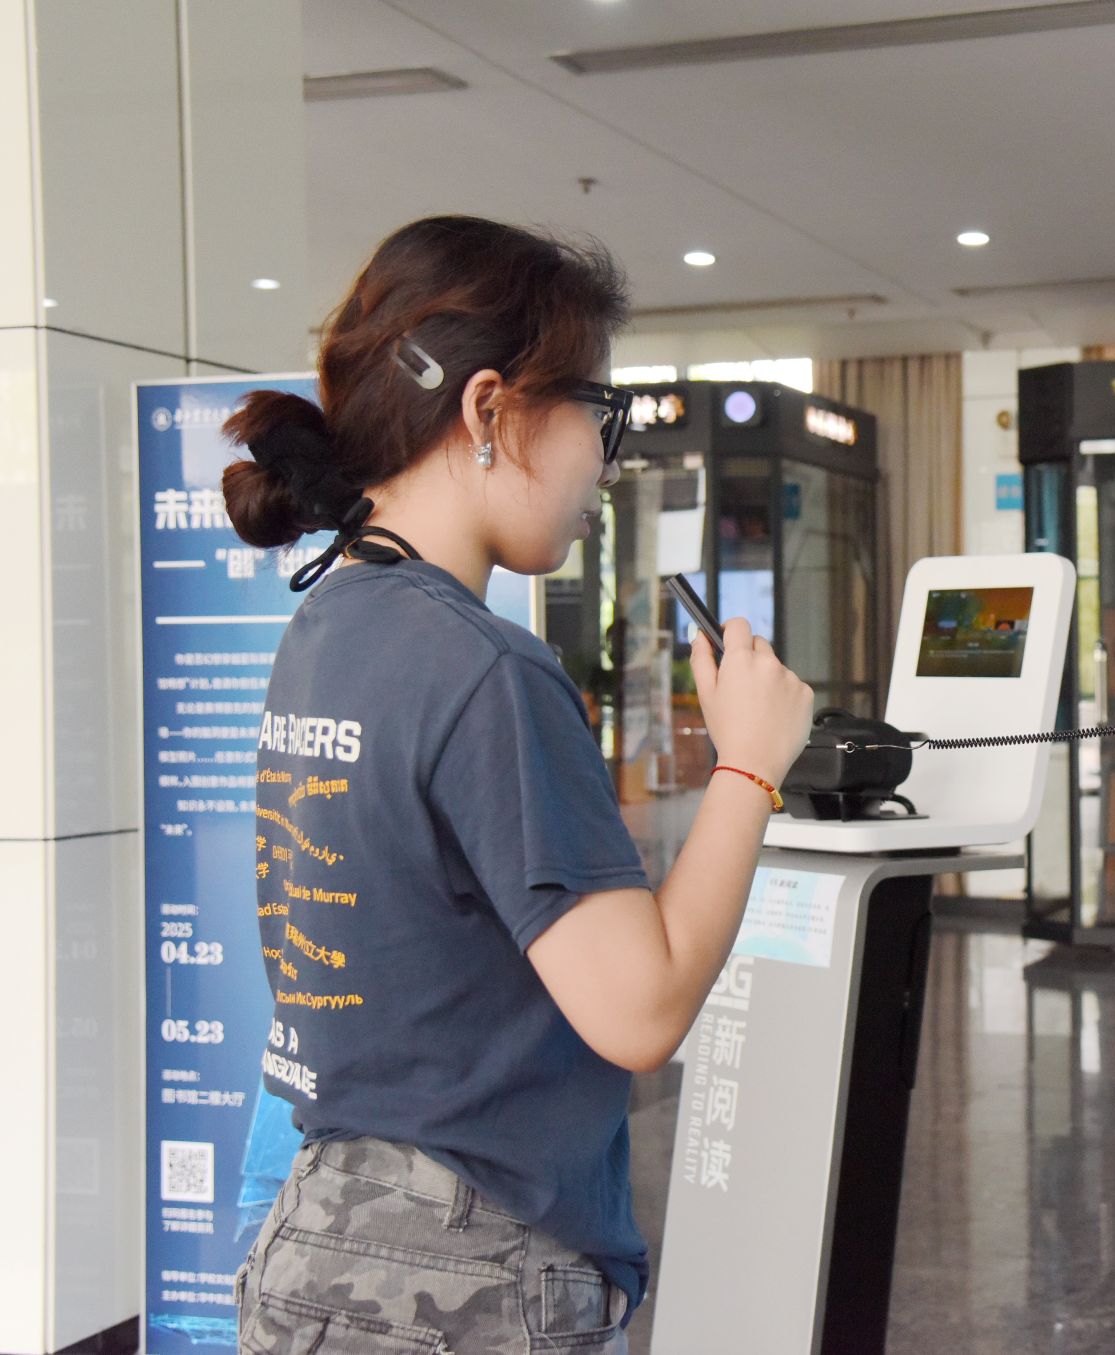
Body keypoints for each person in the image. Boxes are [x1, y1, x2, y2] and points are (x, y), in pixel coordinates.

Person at [222, 216, 814, 1353]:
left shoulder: (329, 621)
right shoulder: (487, 668)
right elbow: (639, 1009)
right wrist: (748, 764)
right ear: (489, 409)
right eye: (599, 413)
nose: (607, 460)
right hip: (460, 1276)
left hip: (324, 1243)